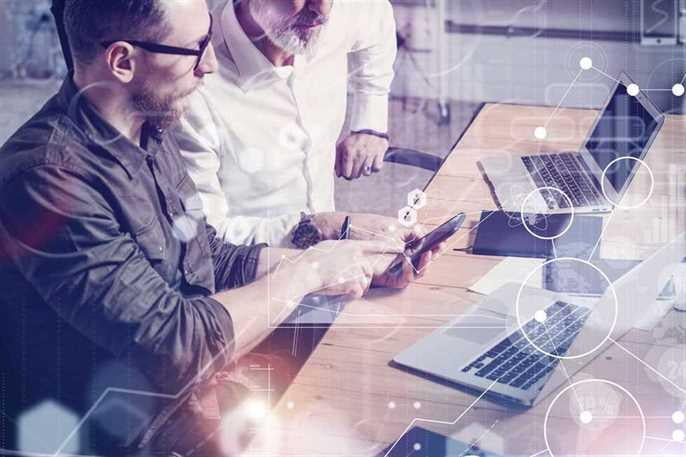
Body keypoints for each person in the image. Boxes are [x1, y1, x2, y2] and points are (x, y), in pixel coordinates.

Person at [0, 0, 436, 455]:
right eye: (195, 48)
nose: (210, 64)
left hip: (192, 397)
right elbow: (175, 345)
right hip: (119, 433)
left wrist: (344, 257)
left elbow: (209, 254)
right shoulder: (47, 179)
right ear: (123, 61)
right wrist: (308, 274)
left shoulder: (146, 126)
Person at [175, 0, 402, 248]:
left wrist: (369, 122)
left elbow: (378, 17)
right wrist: (324, 229)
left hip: (333, 262)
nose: (323, 10)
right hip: (256, 275)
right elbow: (205, 240)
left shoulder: (334, 14)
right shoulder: (189, 90)